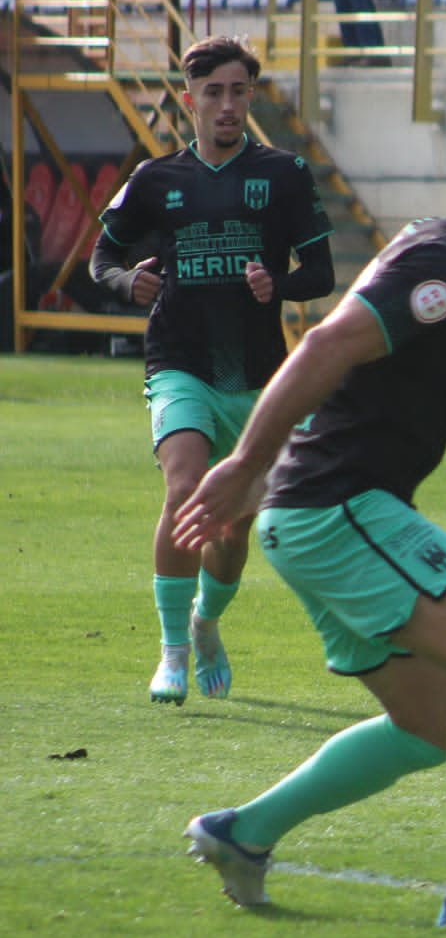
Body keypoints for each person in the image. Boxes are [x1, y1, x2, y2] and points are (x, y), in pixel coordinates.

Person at [171, 110, 446, 935]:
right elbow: (327, 345)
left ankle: (244, 834)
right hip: (338, 504)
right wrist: (245, 463)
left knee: (432, 724)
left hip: (329, 511)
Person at [90, 36, 335, 706]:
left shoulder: (284, 175)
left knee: (229, 530)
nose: (228, 105)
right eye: (214, 92)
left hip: (258, 378)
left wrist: (276, 285)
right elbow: (101, 258)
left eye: (239, 92)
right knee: (184, 488)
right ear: (190, 98)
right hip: (180, 364)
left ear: (250, 97)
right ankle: (170, 652)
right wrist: (124, 282)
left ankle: (205, 623)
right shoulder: (155, 179)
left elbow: (322, 273)